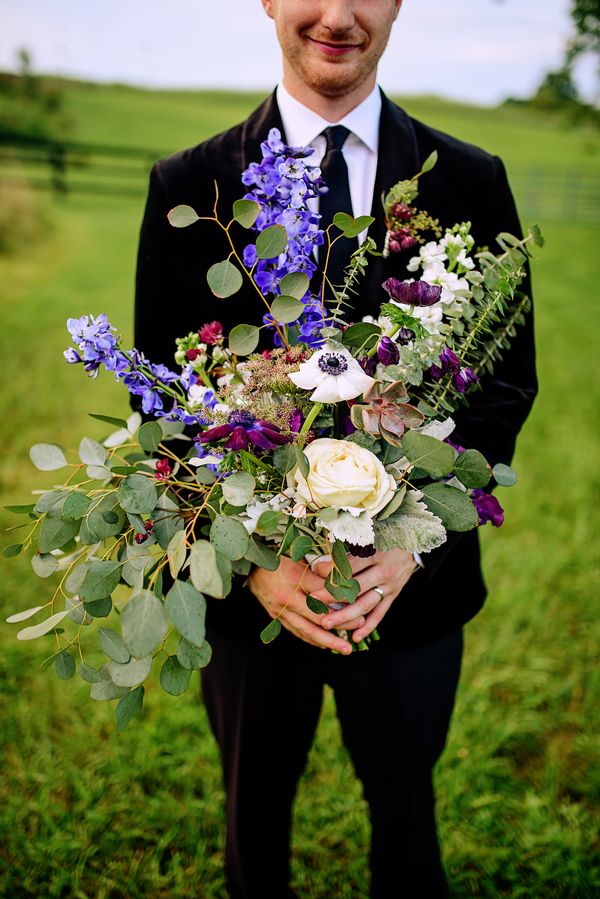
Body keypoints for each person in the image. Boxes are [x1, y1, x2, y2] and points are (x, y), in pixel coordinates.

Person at [134, 2, 537, 896]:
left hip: (411, 594)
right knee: (254, 826)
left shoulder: (470, 181)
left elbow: (505, 386)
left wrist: (412, 542)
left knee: (406, 819)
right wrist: (254, 566)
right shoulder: (188, 184)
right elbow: (161, 403)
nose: (339, 15)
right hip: (255, 607)